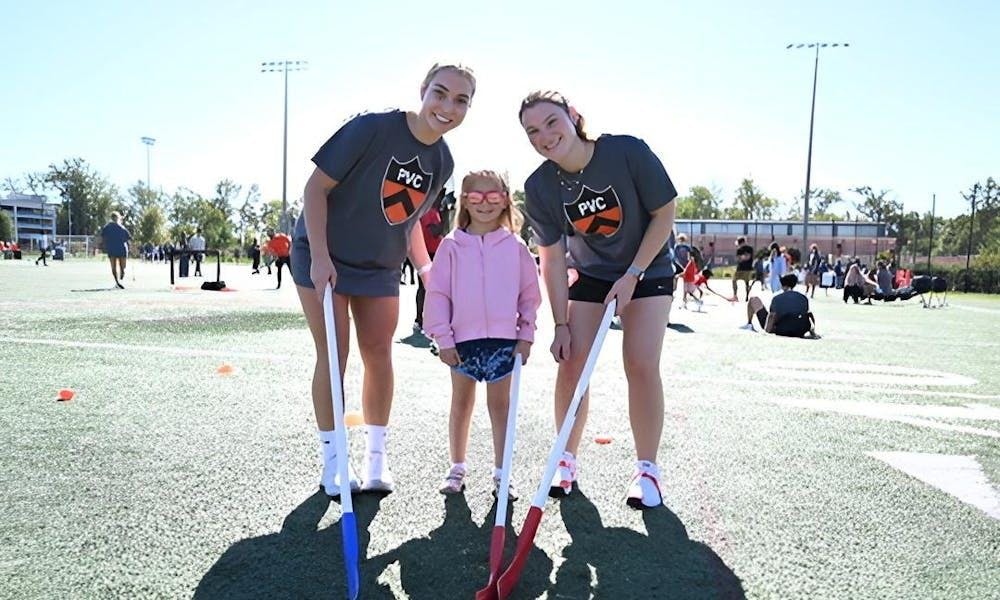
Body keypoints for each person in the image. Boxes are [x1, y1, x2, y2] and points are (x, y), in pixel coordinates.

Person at [292, 63, 473, 497]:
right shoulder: (371, 128)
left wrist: (427, 270)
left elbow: (408, 218)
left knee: (379, 355)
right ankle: (334, 462)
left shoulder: (443, 160)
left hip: (379, 266)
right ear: (423, 90)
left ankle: (376, 459)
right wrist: (319, 257)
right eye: (440, 93)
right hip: (324, 255)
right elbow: (315, 189)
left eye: (461, 100)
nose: (447, 107)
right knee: (334, 355)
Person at [519, 90, 677, 509]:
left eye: (552, 122)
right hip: (591, 274)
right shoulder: (539, 186)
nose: (545, 135)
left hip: (648, 268)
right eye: (533, 131)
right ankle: (565, 460)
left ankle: (648, 471)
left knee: (640, 363)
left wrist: (632, 274)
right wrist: (560, 324)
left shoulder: (627, 151)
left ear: (574, 117)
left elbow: (665, 213)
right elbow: (552, 259)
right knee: (572, 363)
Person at [423, 170, 541, 498]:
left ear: (505, 200)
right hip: (461, 342)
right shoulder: (451, 246)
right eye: (476, 197)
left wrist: (526, 336)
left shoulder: (516, 247)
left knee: (500, 406)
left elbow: (530, 295)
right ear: (464, 201)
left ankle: (502, 473)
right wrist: (443, 339)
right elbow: (438, 294)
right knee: (461, 403)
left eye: (493, 197)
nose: (485, 204)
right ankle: (457, 467)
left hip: (505, 341)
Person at [741, 274, 819, 338]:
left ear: (782, 285)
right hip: (799, 330)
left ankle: (749, 324)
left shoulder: (777, 298)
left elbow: (771, 316)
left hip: (781, 329)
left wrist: (766, 332)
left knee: (754, 299)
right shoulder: (803, 298)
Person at [414, 195, 446, 333]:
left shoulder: (432, 211)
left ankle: (422, 319)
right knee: (424, 288)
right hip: (428, 254)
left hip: (433, 253)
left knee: (427, 289)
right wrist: (445, 217)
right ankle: (420, 319)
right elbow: (434, 232)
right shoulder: (428, 212)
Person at [100, 212, 131, 289]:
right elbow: (128, 238)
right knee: (121, 267)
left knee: (116, 267)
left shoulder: (108, 227)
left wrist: (103, 245)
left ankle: (118, 281)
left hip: (113, 248)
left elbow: (103, 238)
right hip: (119, 248)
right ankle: (118, 282)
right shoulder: (121, 228)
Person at [732, 236, 754, 301]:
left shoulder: (746, 249)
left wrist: (741, 257)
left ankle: (742, 296)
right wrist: (742, 257)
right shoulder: (743, 249)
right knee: (738, 281)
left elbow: (746, 257)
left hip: (744, 269)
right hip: (744, 268)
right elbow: (739, 259)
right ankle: (738, 295)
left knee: (744, 282)